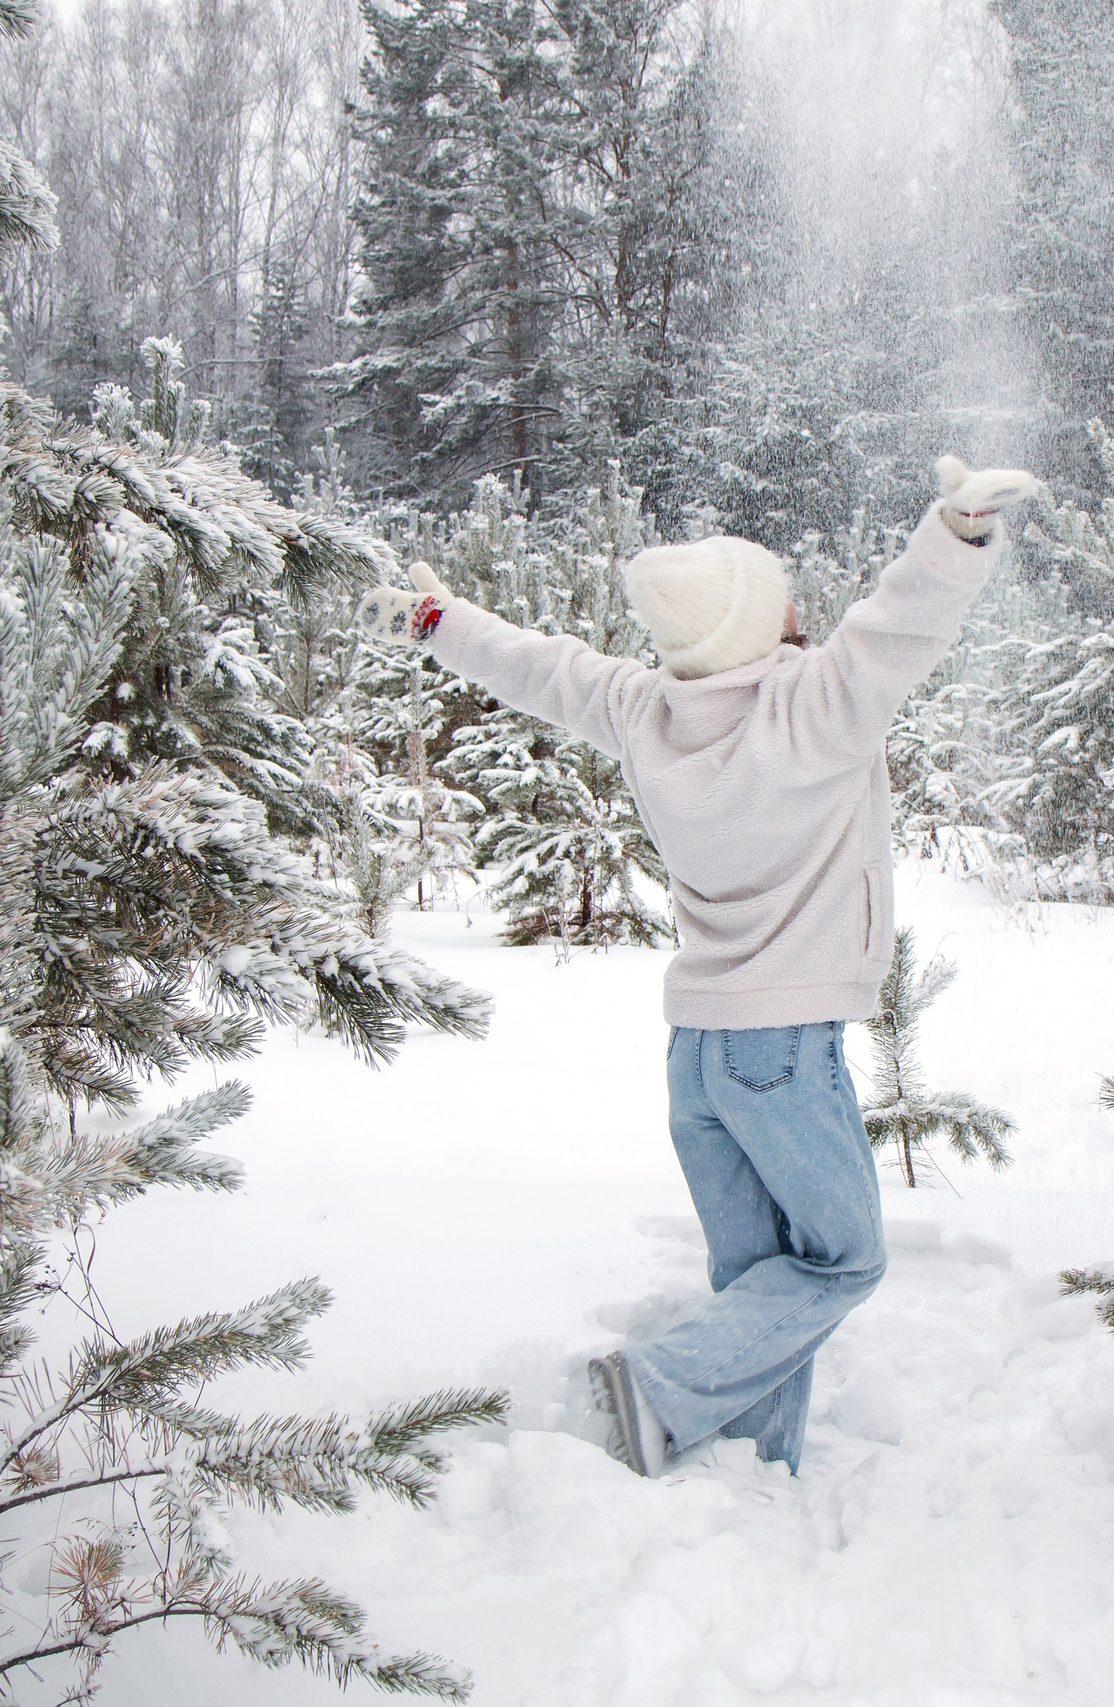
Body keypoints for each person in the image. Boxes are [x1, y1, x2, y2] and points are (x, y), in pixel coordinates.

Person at [357, 457, 1040, 1475]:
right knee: (843, 1260)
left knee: (760, 1276)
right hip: (783, 1052)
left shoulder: (645, 712)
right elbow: (904, 622)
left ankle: (744, 1465)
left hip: (699, 1056)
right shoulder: (818, 705)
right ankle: (656, 1387)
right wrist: (957, 528)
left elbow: (538, 667)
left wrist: (434, 622)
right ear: (760, 624)